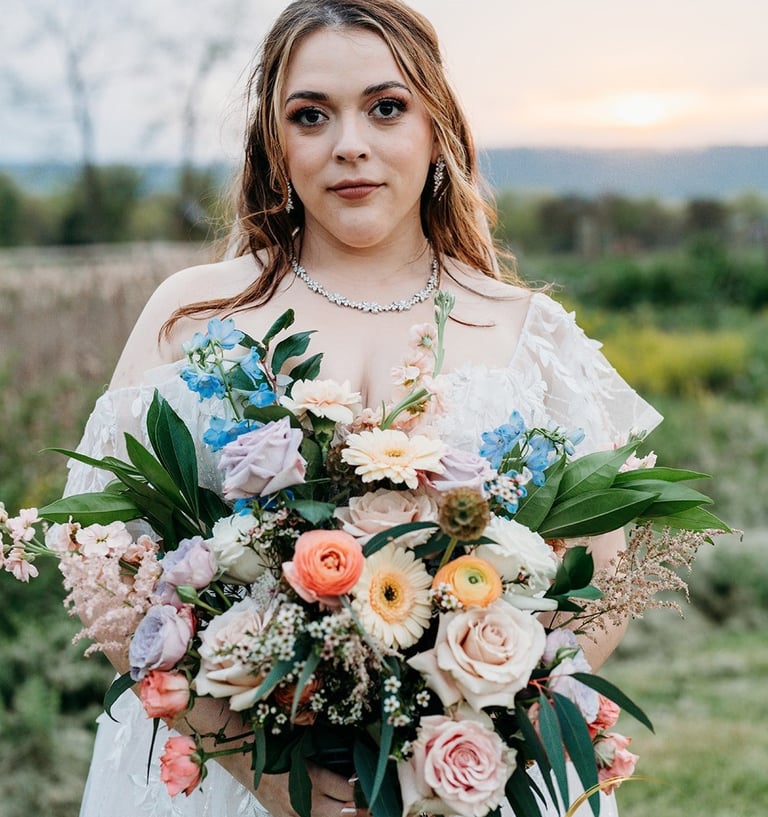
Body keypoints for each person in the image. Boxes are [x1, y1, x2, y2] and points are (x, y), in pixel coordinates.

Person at [67, 1, 662, 815]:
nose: (350, 143)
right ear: (276, 148)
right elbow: (102, 563)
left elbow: (607, 559)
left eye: (386, 108)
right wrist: (262, 771)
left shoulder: (528, 329)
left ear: (435, 128)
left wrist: (484, 740)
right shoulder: (194, 316)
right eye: (310, 115)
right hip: (230, 785)